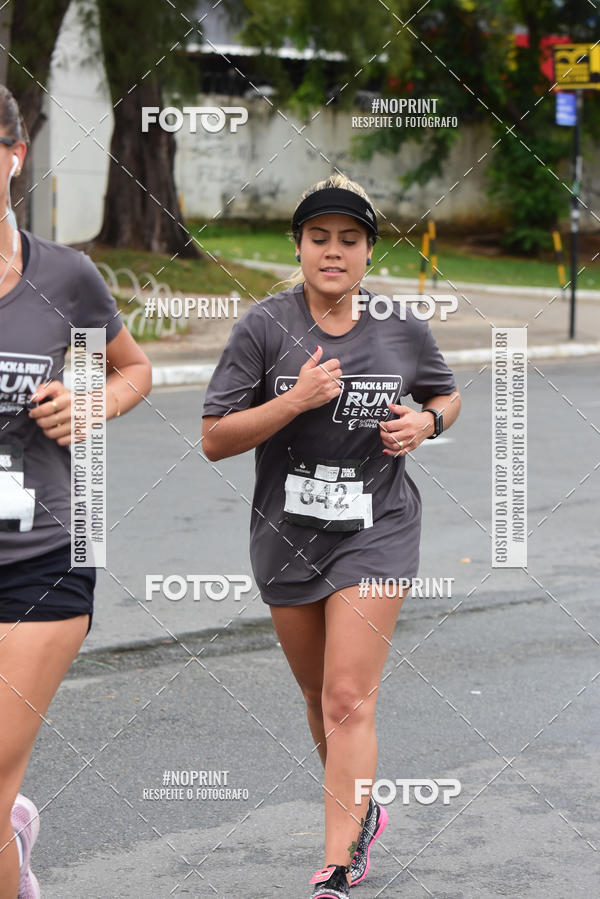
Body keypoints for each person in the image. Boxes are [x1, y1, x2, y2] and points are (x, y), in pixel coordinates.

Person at [202, 172, 461, 898]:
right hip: (287, 534)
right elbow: (215, 438)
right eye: (319, 238)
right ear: (299, 246)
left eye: (350, 239)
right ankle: (362, 811)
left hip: (377, 529)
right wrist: (294, 400)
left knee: (348, 695)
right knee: (319, 695)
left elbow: (446, 393)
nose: (334, 252)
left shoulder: (403, 327)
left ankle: (337, 863)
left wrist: (426, 422)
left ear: (370, 251)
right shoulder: (263, 328)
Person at [0, 85, 152, 899]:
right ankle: (15, 837)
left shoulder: (65, 277)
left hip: (44, 559)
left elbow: (133, 369)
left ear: (14, 156)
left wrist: (92, 402)